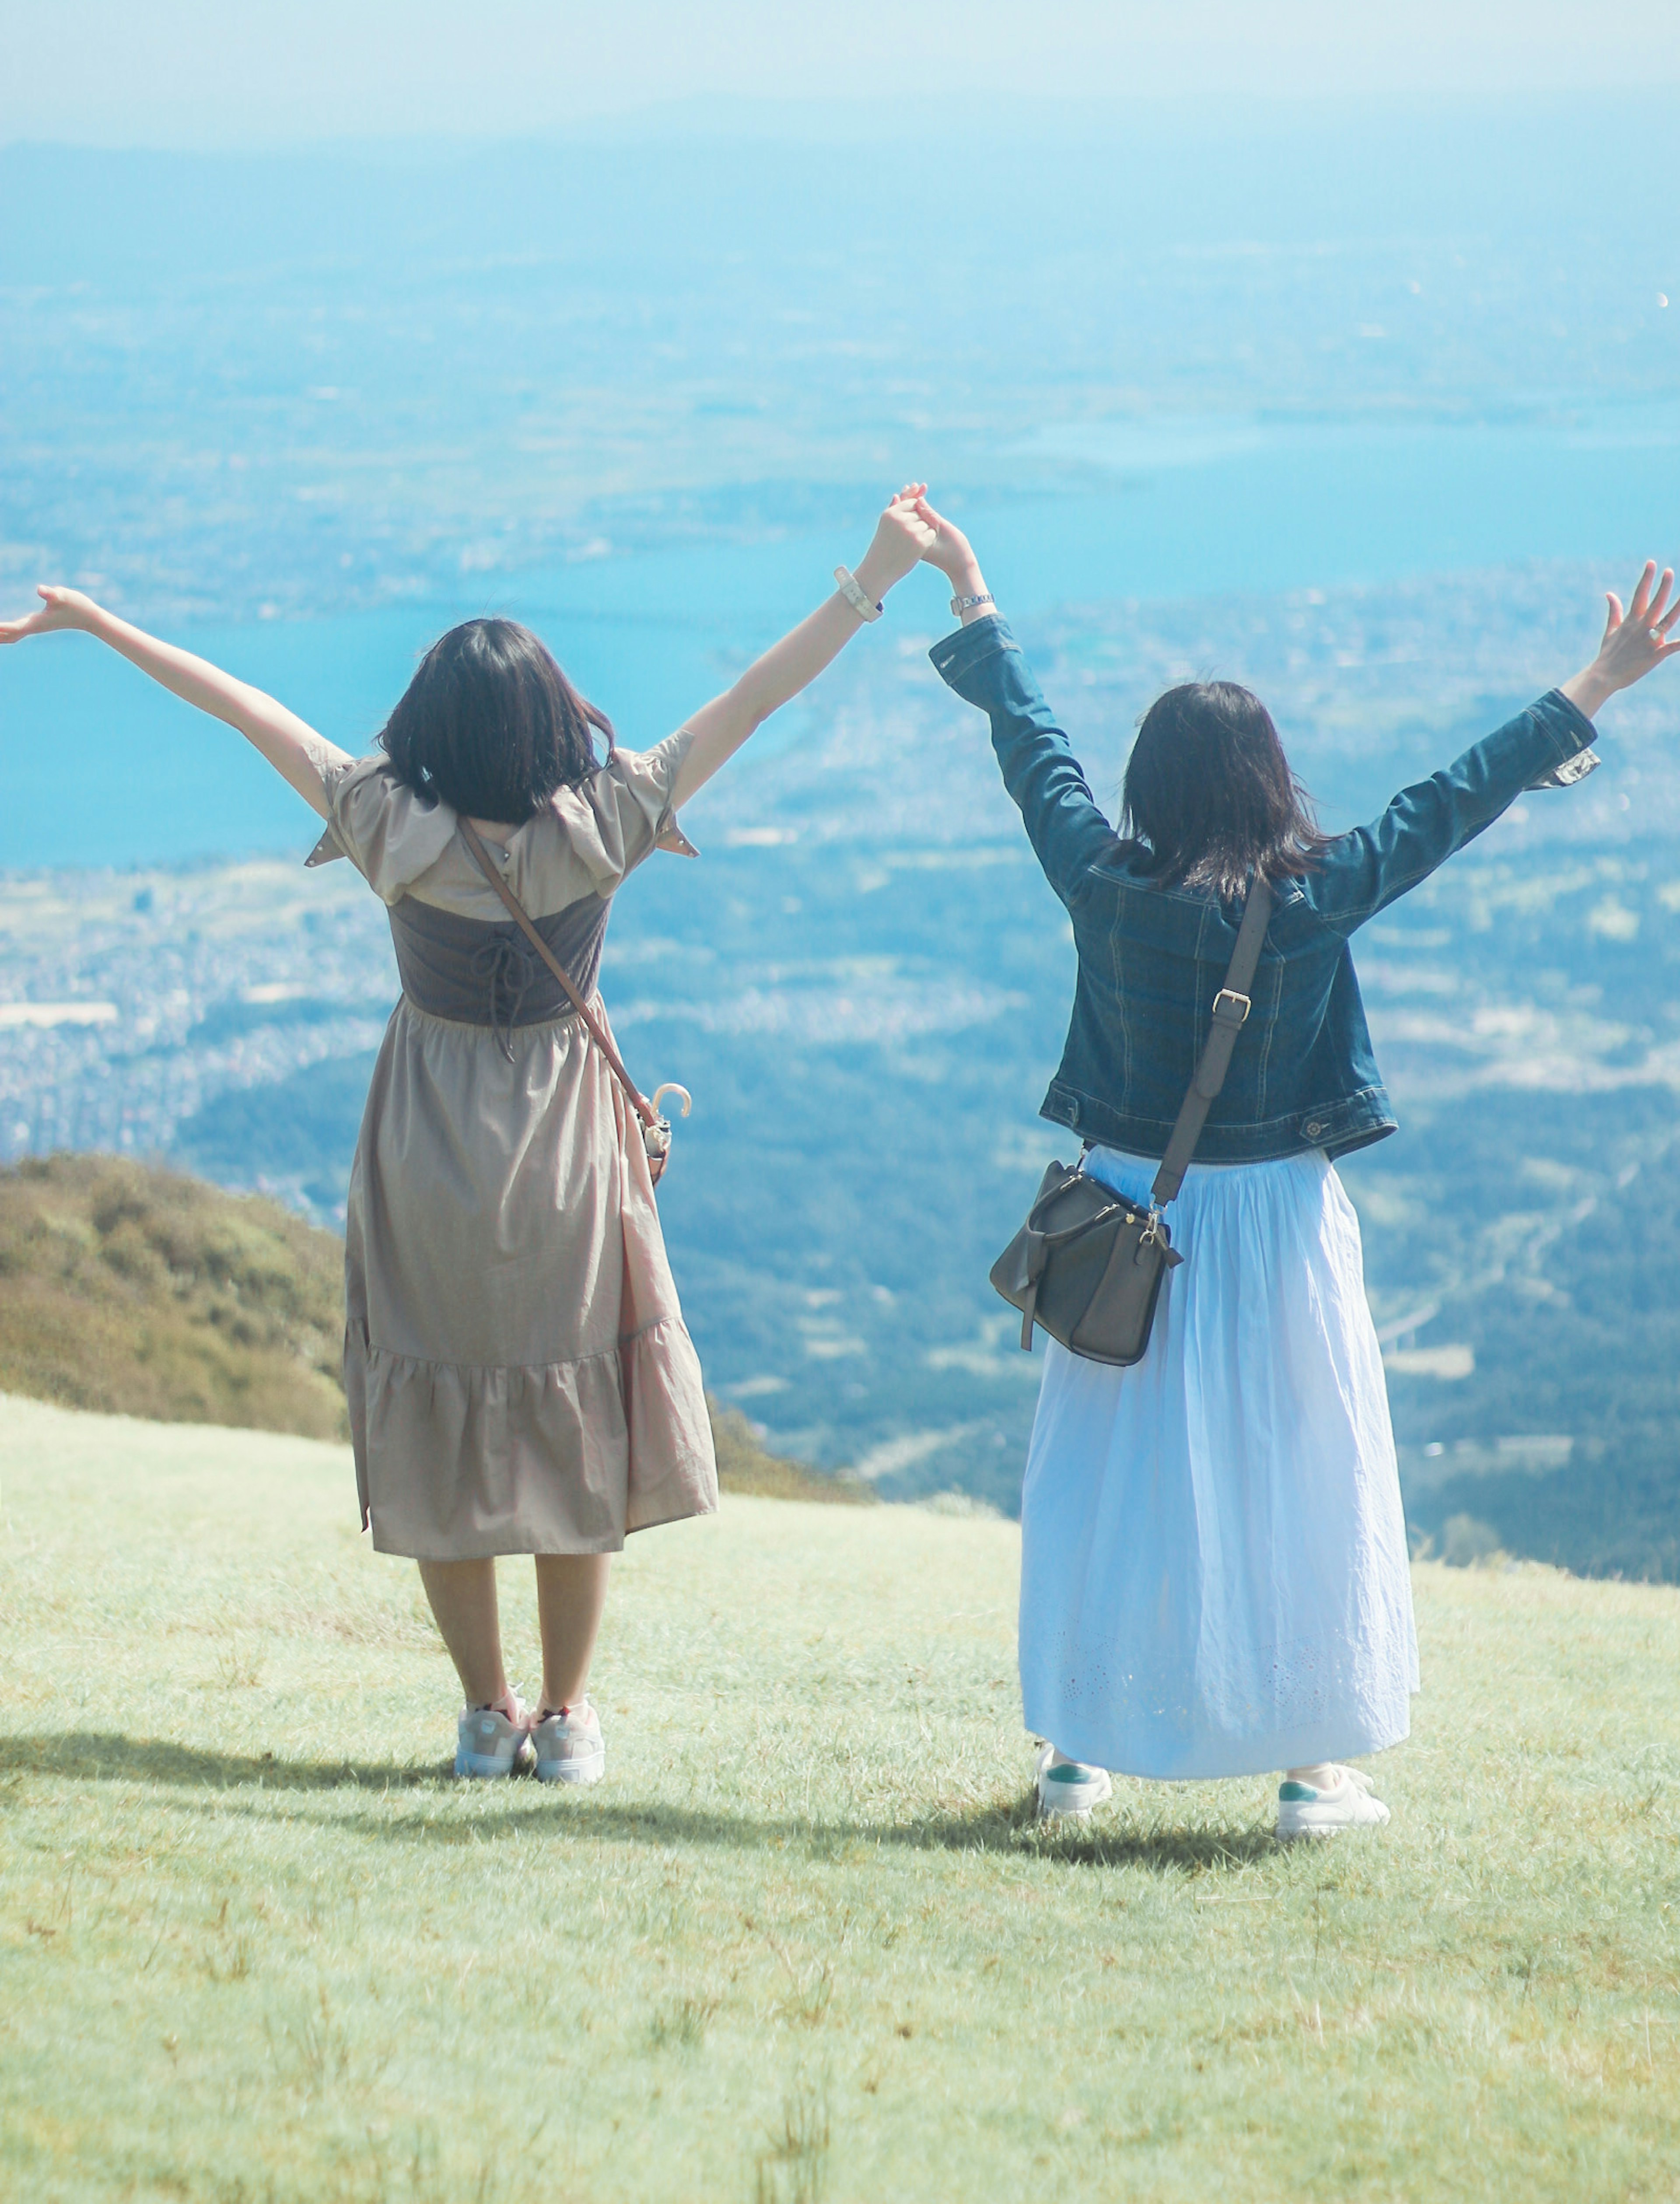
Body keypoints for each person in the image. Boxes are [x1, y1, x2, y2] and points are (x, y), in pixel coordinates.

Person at [0, 485, 936, 1781]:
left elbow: (238, 707)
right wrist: (870, 578)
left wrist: (101, 624)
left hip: (427, 1140)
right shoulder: (605, 822)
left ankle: (484, 1715)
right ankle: (570, 1719)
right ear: (557, 719)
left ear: (428, 726)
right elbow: (757, 699)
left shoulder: (387, 825)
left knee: (441, 1406)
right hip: (568, 1144)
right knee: (573, 1422)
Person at [916, 506, 1679, 1838]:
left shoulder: (1101, 881)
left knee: (1103, 1483)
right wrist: (1596, 684)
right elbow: (1448, 801)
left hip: (1118, 1217)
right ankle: (1313, 1771)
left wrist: (974, 589)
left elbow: (1029, 745)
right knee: (1298, 1480)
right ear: (1270, 780)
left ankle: (1075, 1751)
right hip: (1275, 1219)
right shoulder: (1315, 894)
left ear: (1152, 785)